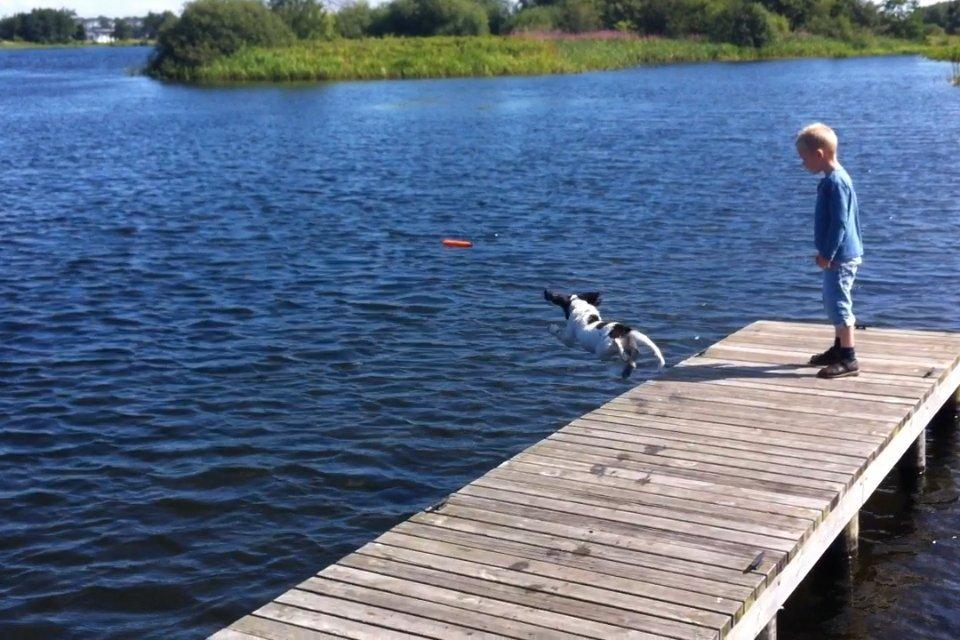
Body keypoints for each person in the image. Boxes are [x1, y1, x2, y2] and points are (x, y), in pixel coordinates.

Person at [795, 123, 863, 379]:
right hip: (838, 254)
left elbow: (840, 224)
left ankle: (849, 358)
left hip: (840, 256)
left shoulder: (836, 183)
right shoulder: (835, 179)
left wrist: (828, 254)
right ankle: (838, 349)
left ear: (819, 154)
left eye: (804, 158)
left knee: (839, 304)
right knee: (832, 300)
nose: (802, 164)